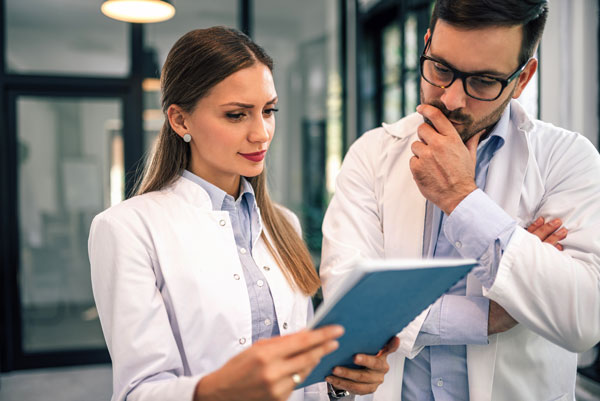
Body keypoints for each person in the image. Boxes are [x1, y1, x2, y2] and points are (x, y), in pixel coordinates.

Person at [88, 27, 397, 401]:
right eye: (237, 115)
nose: (262, 133)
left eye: (268, 111)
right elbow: (138, 392)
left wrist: (337, 384)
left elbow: (299, 374)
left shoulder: (284, 224)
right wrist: (217, 389)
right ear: (180, 120)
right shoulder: (126, 229)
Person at [320, 1, 600, 400]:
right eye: (441, 70)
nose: (451, 99)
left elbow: (582, 319)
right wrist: (489, 314)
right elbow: (350, 310)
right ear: (427, 43)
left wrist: (461, 199)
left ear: (523, 79)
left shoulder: (567, 159)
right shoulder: (371, 154)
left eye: (483, 81)